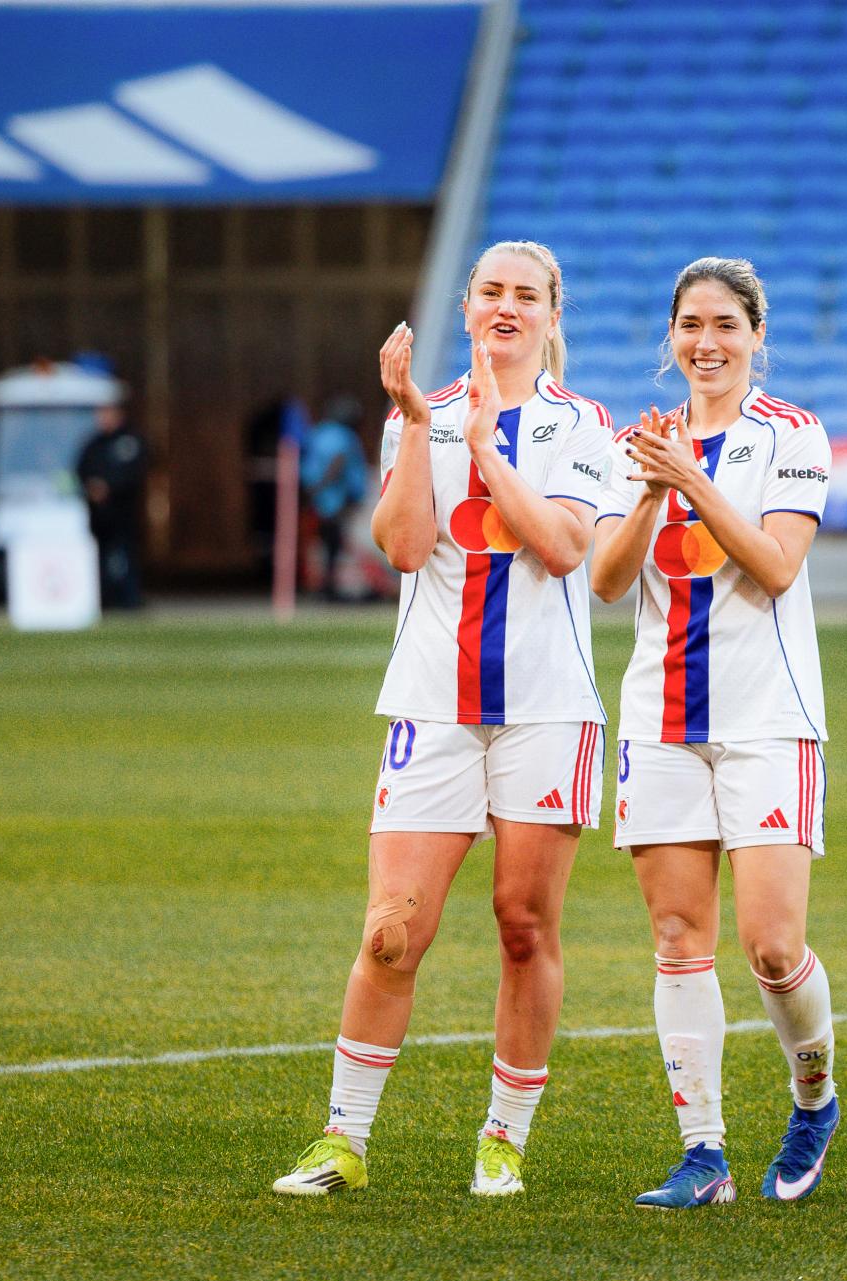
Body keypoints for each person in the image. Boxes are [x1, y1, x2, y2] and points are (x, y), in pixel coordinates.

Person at [271, 240, 614, 1199]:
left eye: (527, 295)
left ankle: (502, 1138)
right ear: (467, 308)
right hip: (432, 702)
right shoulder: (415, 417)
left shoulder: (583, 424)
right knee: (391, 930)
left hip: (546, 710)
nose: (506, 308)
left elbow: (559, 545)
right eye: (491, 292)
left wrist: (487, 446)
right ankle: (343, 1139)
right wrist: (422, 429)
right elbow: (404, 545)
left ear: (552, 314)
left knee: (522, 925)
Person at [590, 257, 839, 1208]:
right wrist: (653, 489)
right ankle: (705, 1153)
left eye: (726, 324)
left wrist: (690, 474)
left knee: (773, 946)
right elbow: (611, 583)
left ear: (755, 337)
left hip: (768, 716)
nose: (707, 341)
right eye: (691, 324)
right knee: (675, 934)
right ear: (671, 337)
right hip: (661, 720)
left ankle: (813, 1096)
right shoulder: (635, 445)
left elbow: (777, 565)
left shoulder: (793, 435)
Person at [297, 395, 380, 600]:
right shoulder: (342, 434)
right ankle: (329, 587)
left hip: (322, 498)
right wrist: (321, 486)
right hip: (338, 499)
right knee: (338, 543)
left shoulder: (318, 432)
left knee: (331, 544)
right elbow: (338, 460)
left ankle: (330, 586)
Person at [75, 400, 148, 609]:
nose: (103, 419)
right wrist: (92, 487)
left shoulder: (129, 441)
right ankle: (102, 599)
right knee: (98, 556)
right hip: (97, 513)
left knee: (126, 554)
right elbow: (81, 469)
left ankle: (130, 599)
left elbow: (133, 472)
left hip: (123, 510)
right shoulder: (93, 443)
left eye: (107, 414)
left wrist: (109, 487)